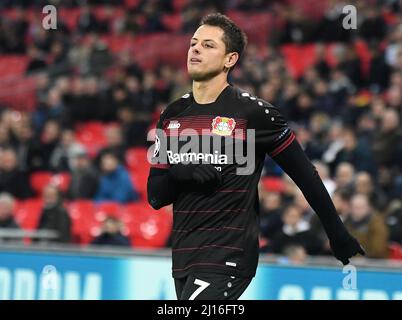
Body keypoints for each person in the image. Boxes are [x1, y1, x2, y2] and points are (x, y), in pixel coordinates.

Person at [147, 13, 364, 301]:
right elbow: (155, 196)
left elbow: (305, 175)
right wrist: (179, 173)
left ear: (230, 59)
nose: (195, 49)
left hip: (230, 252)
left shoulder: (254, 114)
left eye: (208, 45)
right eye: (193, 43)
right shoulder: (171, 115)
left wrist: (336, 232)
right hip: (185, 255)